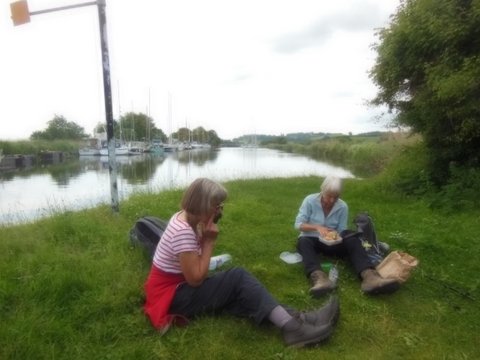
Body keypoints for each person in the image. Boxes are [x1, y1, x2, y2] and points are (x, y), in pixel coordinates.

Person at [144, 178, 339, 347]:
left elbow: (194, 267)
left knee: (244, 292)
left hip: (177, 288)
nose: (220, 210)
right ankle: (293, 329)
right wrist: (209, 241)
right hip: (172, 297)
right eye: (217, 205)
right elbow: (195, 279)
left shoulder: (186, 219)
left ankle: (303, 319)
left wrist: (204, 238)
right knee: (238, 277)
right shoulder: (183, 232)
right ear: (203, 204)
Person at [294, 176, 399, 297]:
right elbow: (298, 225)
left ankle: (370, 277)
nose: (332, 200)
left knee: (353, 240)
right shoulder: (310, 200)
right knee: (303, 242)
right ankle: (320, 279)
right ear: (322, 190)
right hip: (312, 239)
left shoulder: (342, 206)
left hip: (333, 243)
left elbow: (342, 230)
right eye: (329, 196)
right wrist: (317, 227)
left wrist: (335, 236)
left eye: (336, 196)